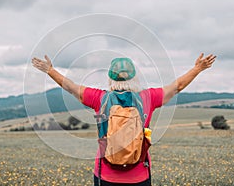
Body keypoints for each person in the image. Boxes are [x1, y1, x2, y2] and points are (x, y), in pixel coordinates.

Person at [32, 53, 216, 185]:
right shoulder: (148, 98)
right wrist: (198, 68)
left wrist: (50, 70)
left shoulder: (99, 98)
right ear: (135, 77)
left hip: (106, 175)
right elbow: (178, 86)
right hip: (140, 175)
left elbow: (71, 87)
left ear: (110, 78)